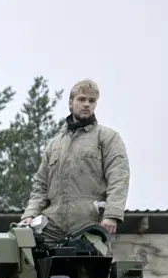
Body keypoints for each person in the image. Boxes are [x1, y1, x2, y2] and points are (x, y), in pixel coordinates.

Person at [18, 78, 130, 251]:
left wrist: (112, 215)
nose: (86, 104)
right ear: (71, 103)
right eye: (82, 99)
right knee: (21, 250)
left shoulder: (107, 138)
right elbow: (40, 186)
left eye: (92, 101)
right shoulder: (54, 145)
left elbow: (119, 176)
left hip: (88, 225)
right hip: (52, 227)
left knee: (91, 275)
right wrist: (30, 214)